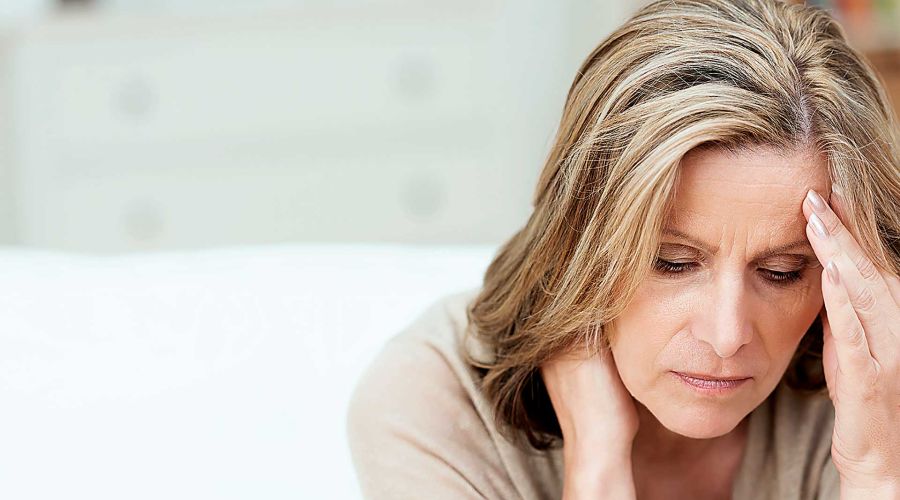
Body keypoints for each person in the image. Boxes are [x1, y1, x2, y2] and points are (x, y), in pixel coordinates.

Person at [346, 0, 900, 498]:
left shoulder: (872, 392)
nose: (727, 335)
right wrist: (597, 463)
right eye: (672, 262)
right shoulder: (432, 404)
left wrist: (875, 471)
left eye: (782, 271)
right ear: (579, 244)